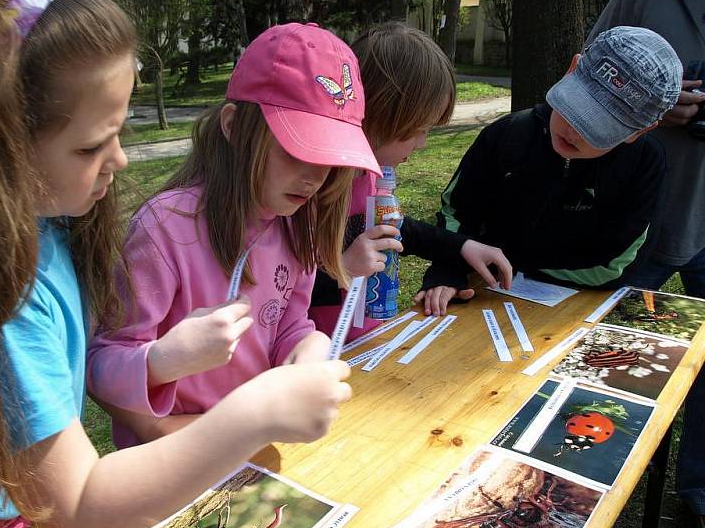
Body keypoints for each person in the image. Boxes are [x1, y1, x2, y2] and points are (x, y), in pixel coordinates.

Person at [0, 0, 352, 528]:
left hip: (5, 510)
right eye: (91, 144)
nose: (117, 160)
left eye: (119, 131)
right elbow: (85, 509)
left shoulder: (48, 227)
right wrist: (254, 413)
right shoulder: (0, 297)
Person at [87, 22, 380, 447]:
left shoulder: (296, 224)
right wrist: (164, 361)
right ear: (234, 126)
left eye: (331, 158)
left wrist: (308, 347)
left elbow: (287, 325)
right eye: (297, 149)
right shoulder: (164, 228)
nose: (316, 177)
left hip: (252, 451)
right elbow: (100, 365)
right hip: (170, 462)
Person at [424, 26, 682, 293]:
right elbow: (457, 210)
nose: (574, 131)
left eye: (599, 128)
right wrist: (450, 265)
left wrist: (511, 263)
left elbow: (615, 265)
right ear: (572, 68)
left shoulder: (644, 164)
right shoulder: (508, 134)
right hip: (483, 289)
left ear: (639, 131)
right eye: (575, 107)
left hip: (574, 307)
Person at [587, 0, 705, 524]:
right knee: (604, 350)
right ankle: (585, 470)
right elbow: (586, 73)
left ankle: (698, 491)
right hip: (637, 217)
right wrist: (653, 102)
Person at [308, 22, 513, 341]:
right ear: (379, 114)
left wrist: (462, 246)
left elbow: (394, 229)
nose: (421, 144)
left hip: (366, 337)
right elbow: (277, 287)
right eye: (416, 130)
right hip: (315, 348)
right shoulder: (311, 185)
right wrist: (341, 270)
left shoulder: (372, 172)